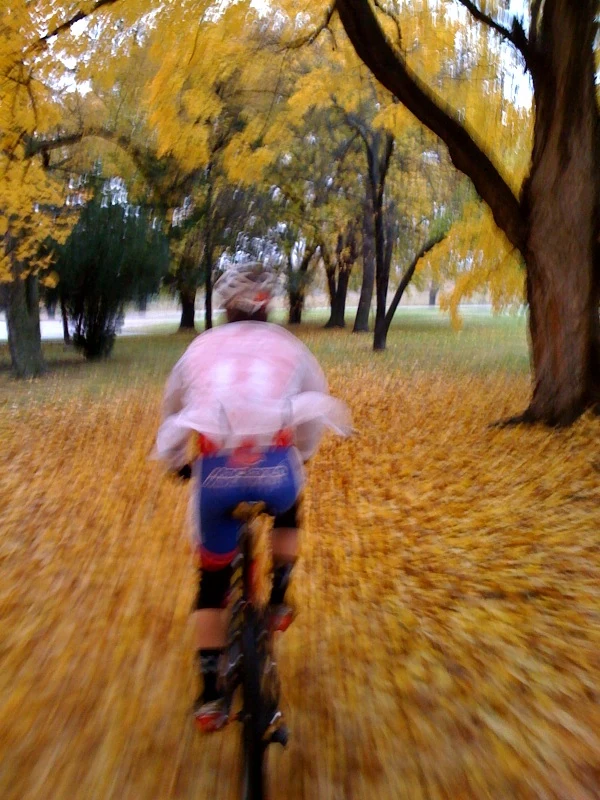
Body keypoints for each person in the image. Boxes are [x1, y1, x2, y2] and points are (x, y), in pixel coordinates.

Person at [155, 262, 351, 732]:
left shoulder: (199, 347)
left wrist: (175, 464)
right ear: (269, 307)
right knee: (288, 505)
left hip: (216, 473)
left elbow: (172, 409)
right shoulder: (290, 346)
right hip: (274, 469)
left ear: (225, 309)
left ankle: (209, 698)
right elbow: (309, 413)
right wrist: (300, 456)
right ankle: (280, 599)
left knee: (213, 583)